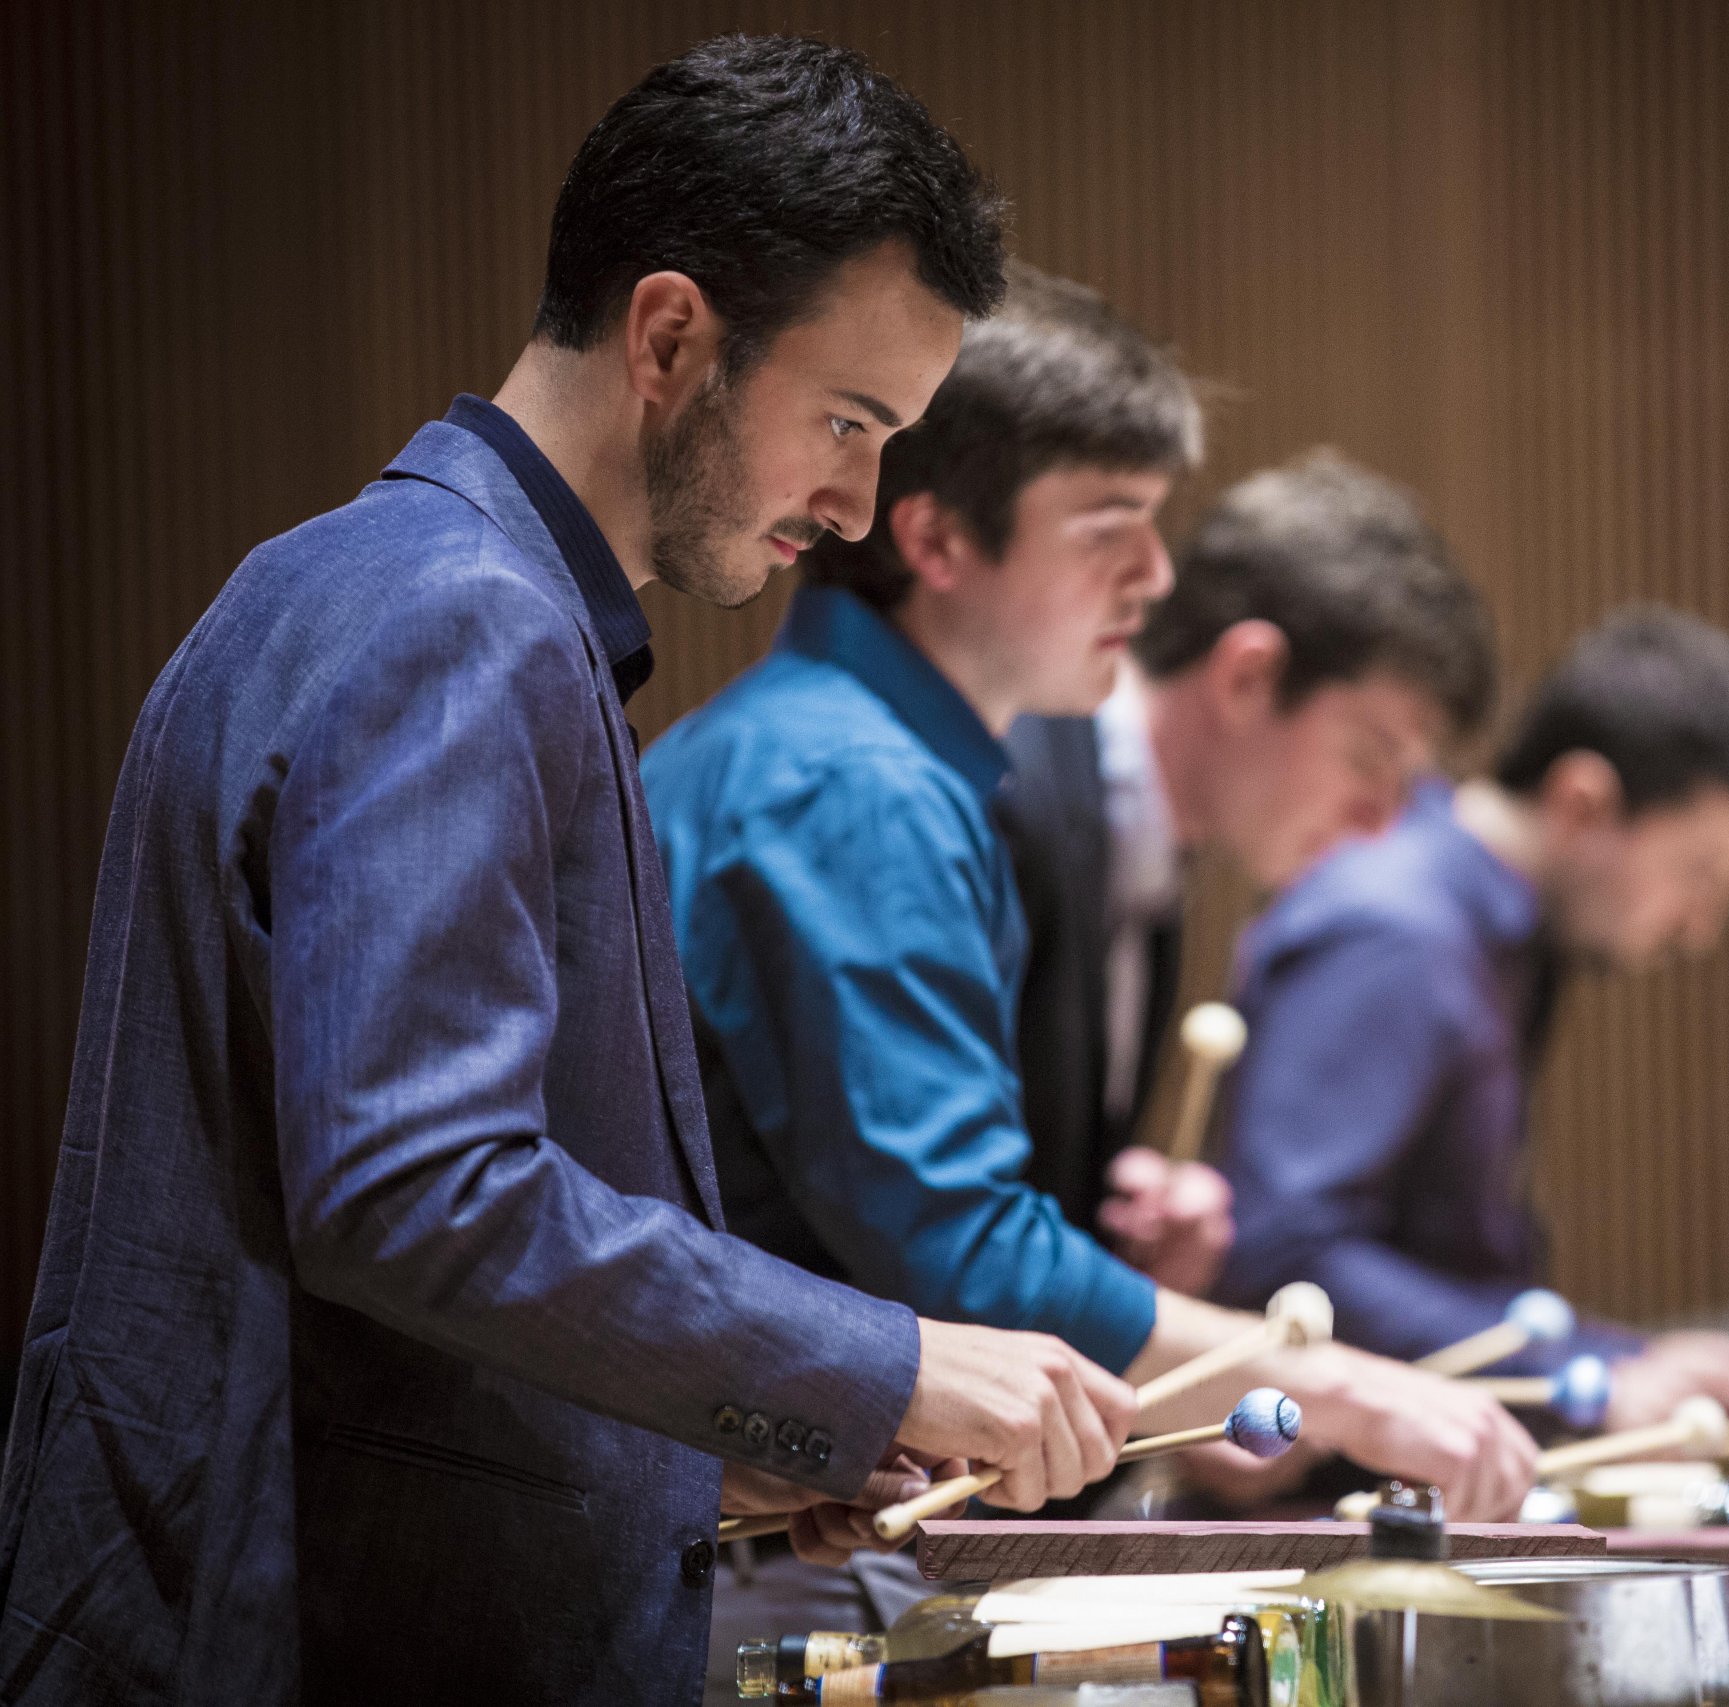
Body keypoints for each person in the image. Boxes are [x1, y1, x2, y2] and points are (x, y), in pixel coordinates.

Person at [0, 40, 1138, 1705]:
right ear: (672, 334)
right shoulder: (460, 619)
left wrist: (707, 1451)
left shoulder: (359, 574)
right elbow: (416, 1186)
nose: (861, 498)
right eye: (846, 418)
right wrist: (881, 1358)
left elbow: (374, 1283)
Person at [643, 269, 1541, 1529]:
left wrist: (1143, 1308)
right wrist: (1339, 1389)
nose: (1158, 575)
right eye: (1110, 521)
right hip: (650, 1530)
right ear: (940, 538)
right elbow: (961, 1247)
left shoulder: (889, 767)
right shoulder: (850, 784)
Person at [1213, 608, 1729, 1428]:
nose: (1699, 931)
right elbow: (1279, 1257)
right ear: (1583, 800)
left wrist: (1625, 1359)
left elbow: (1445, 1263)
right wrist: (1579, 1372)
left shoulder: (1505, 937)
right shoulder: (1396, 929)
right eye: (1698, 875)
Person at [999, 451, 1497, 1298]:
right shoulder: (1010, 792)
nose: (1381, 822)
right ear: (1249, 676)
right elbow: (929, 1228)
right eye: (1370, 756)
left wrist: (1129, 1252)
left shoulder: (1152, 858)